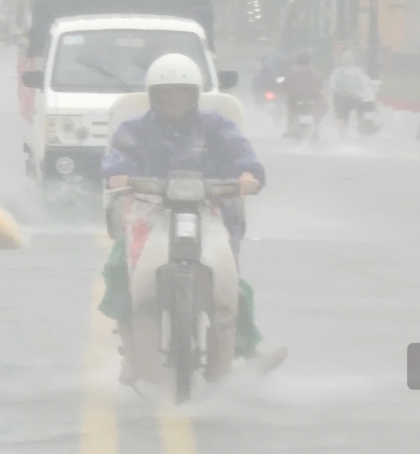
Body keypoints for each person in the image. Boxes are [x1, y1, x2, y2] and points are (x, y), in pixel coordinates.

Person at [98, 53, 287, 385]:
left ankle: (245, 349)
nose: (174, 99)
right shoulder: (135, 129)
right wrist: (117, 174)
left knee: (232, 286)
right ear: (154, 95)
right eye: (167, 92)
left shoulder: (215, 126)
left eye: (181, 92)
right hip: (149, 212)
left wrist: (247, 173)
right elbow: (118, 157)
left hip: (210, 211)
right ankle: (132, 354)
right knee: (118, 270)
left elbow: (242, 152)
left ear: (194, 94)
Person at [329, 51, 377, 136]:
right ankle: (362, 126)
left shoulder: (336, 72)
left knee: (341, 115)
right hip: (356, 98)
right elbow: (367, 83)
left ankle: (342, 132)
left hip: (343, 100)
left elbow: (333, 86)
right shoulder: (357, 71)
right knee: (361, 109)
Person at [282, 50, 327, 140]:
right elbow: (321, 84)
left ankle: (292, 129)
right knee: (290, 110)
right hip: (304, 98)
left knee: (290, 110)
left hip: (305, 99)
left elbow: (285, 86)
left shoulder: (293, 72)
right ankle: (294, 129)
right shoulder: (314, 71)